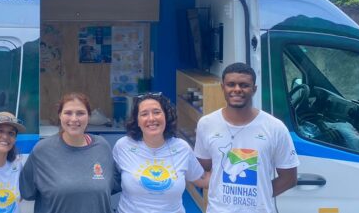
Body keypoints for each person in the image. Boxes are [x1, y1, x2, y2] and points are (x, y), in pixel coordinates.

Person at [194, 63, 299, 213]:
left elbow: (289, 178)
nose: (237, 89)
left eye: (244, 85)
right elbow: (202, 169)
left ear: (254, 89)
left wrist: (260, 198)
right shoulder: (207, 124)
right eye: (231, 84)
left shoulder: (275, 127)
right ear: (223, 87)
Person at [19, 92, 118, 213]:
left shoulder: (102, 146)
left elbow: (111, 186)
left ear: (89, 116)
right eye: (68, 113)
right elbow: (27, 192)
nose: (74, 119)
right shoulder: (42, 151)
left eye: (80, 113)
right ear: (60, 115)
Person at [113, 92, 209, 213]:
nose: (151, 118)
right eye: (144, 114)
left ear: (166, 117)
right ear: (137, 121)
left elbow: (202, 180)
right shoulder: (123, 146)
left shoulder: (182, 148)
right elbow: (110, 179)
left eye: (157, 112)